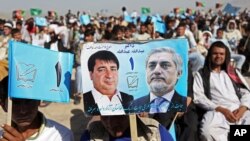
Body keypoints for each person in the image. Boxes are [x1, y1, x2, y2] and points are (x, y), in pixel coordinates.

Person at [193, 41, 250, 141]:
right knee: (207, 132)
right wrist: (221, 109)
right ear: (210, 55)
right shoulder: (202, 74)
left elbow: (245, 92)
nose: (218, 56)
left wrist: (242, 109)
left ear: (225, 55)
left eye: (221, 54)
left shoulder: (232, 72)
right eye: (215, 53)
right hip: (217, 111)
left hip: (238, 109)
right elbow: (199, 97)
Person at [0, 77, 74, 141]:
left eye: (29, 101)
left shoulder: (60, 135)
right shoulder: (2, 136)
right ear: (3, 106)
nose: (23, 110)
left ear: (38, 101)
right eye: (16, 103)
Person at [83, 50, 133, 115]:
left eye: (113, 69)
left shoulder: (129, 98)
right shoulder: (84, 101)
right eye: (102, 70)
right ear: (91, 75)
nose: (109, 75)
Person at [80, 115, 174, 141]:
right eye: (104, 116)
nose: (110, 122)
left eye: (117, 116)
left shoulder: (155, 132)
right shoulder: (92, 135)